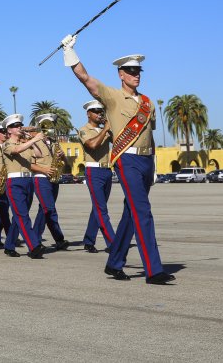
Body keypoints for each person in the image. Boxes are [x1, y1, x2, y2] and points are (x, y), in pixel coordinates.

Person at [61, 34, 175, 284]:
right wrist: (71, 53)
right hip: (127, 160)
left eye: (138, 71)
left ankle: (114, 263)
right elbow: (86, 79)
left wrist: (154, 164)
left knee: (130, 214)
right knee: (143, 211)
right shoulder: (112, 97)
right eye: (131, 71)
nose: (136, 75)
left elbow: (149, 136)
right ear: (121, 74)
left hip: (145, 161)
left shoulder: (148, 103)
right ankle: (153, 270)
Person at [1, 114, 45, 259]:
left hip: (28, 181)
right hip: (15, 183)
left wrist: (32, 141)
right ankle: (34, 246)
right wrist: (33, 139)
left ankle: (9, 245)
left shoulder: (24, 143)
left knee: (18, 216)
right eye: (15, 126)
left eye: (20, 125)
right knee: (22, 215)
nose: (19, 128)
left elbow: (39, 154)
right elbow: (15, 151)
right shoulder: (7, 144)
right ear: (9, 130)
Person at [30, 113, 71, 251]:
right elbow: (29, 164)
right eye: (47, 126)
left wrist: (63, 157)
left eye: (51, 126)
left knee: (44, 210)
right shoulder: (33, 142)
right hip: (41, 179)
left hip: (54, 179)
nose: (50, 129)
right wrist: (44, 169)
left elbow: (66, 166)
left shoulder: (55, 143)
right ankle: (57, 239)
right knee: (49, 209)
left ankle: (35, 238)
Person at [79, 100, 115, 254]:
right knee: (102, 209)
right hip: (94, 171)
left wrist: (111, 128)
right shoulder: (83, 130)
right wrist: (105, 130)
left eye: (100, 111)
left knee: (98, 208)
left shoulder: (105, 130)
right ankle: (113, 243)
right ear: (88, 113)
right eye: (95, 111)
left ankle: (88, 240)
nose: (99, 114)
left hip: (106, 170)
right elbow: (92, 145)